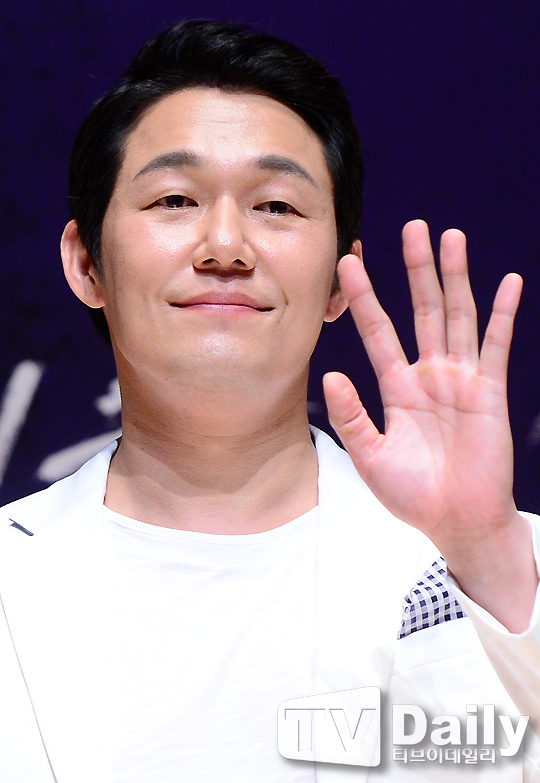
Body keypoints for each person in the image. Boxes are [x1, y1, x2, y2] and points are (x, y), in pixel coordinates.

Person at [0, 19, 539, 782]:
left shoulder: (496, 564)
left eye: (277, 206)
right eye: (175, 198)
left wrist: (488, 561)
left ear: (341, 277)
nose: (226, 245)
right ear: (87, 261)